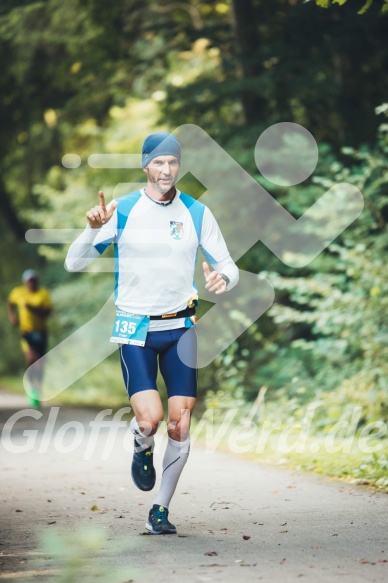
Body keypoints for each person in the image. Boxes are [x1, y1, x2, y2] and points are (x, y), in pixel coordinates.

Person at [65, 132, 239, 534]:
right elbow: (74, 263)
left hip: (181, 327)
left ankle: (160, 508)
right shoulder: (121, 211)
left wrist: (224, 279)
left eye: (173, 163)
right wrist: (92, 229)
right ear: (146, 165)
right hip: (136, 328)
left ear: (179, 167)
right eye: (158, 163)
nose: (166, 170)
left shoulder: (196, 212)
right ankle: (141, 446)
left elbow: (227, 264)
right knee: (151, 420)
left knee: (180, 423)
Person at [8, 269, 52, 408]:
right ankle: (31, 390)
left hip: (41, 332)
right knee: (31, 360)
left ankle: (37, 389)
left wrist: (32, 308)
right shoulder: (18, 292)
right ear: (24, 282)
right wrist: (13, 316)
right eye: (29, 281)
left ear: (37, 281)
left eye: (33, 281)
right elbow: (10, 303)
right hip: (26, 332)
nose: (31, 284)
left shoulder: (43, 294)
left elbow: (47, 313)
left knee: (40, 364)